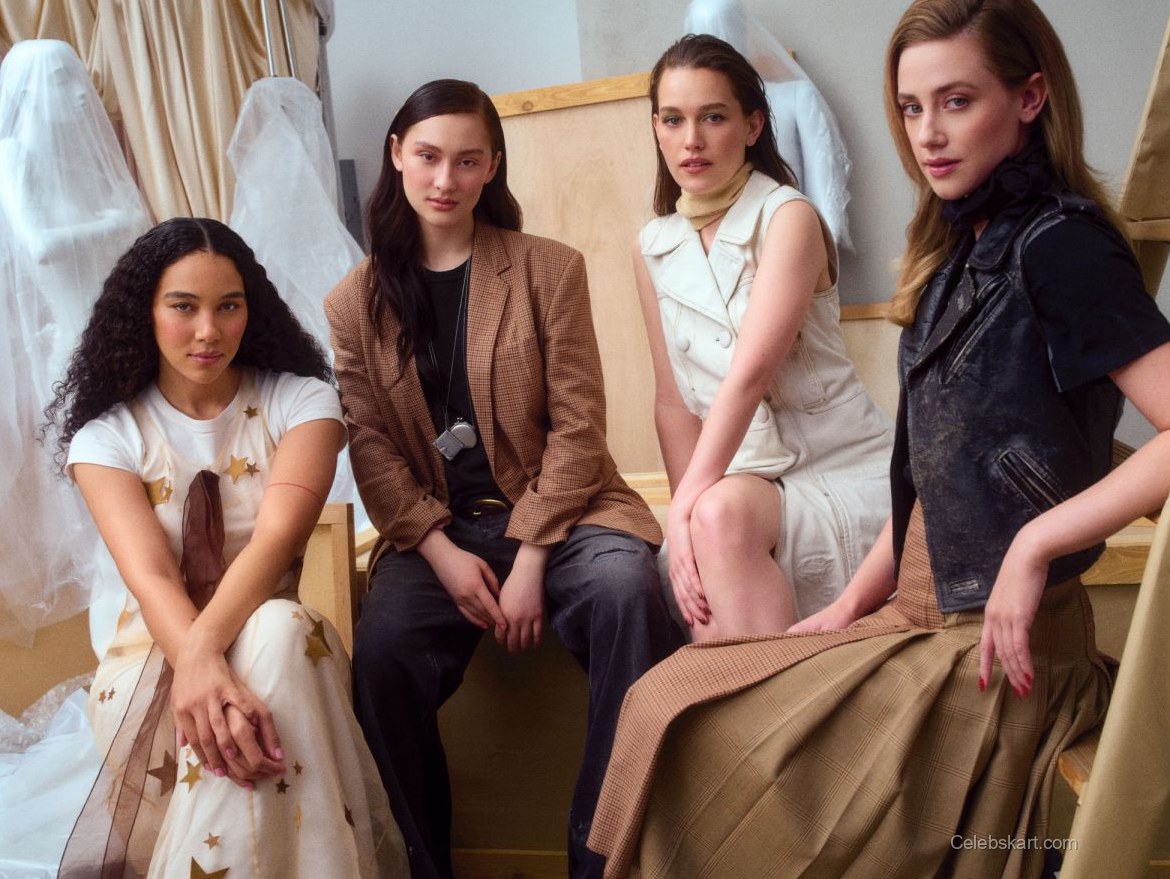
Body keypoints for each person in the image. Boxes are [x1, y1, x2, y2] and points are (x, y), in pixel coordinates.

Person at [589, 1, 1170, 877]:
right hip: (910, 603)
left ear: (1029, 97)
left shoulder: (1063, 244)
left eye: (957, 101)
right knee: (665, 698)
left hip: (992, 646)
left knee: (722, 746)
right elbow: (930, 477)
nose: (928, 133)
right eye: (910, 106)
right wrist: (844, 609)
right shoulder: (956, 247)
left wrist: (1037, 545)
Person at [324, 79, 684, 879]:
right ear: (397, 155)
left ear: (492, 166)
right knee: (381, 652)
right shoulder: (352, 304)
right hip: (438, 532)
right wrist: (444, 555)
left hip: (564, 513)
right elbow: (371, 450)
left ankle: (605, 859)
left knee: (627, 590)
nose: (444, 179)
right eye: (428, 156)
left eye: (466, 160)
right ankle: (423, 867)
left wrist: (528, 559)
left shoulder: (546, 269)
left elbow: (579, 427)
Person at [48, 218, 407, 877]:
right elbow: (153, 577)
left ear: (252, 309)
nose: (209, 330)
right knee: (271, 661)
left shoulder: (302, 402)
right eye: (183, 307)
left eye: (229, 306)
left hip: (280, 654)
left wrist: (203, 657)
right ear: (145, 312)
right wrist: (195, 665)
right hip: (149, 666)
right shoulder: (107, 437)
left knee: (279, 628)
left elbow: (277, 538)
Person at [638, 34, 891, 641]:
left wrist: (688, 505)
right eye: (673, 120)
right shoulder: (654, 244)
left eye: (713, 117)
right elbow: (673, 402)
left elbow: (749, 376)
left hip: (836, 462)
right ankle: (745, 695)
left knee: (712, 514)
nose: (691, 140)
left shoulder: (788, 216)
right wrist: (685, 528)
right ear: (656, 129)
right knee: (711, 525)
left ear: (753, 126)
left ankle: (778, 694)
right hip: (743, 477)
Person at [0, 38, 150, 642]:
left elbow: (138, 236)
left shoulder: (88, 161)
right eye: (63, 83)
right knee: (99, 502)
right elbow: (39, 246)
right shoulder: (14, 156)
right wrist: (110, 225)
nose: (79, 94)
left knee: (143, 486)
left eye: (76, 79)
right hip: (69, 348)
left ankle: (145, 625)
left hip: (123, 344)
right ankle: (120, 644)